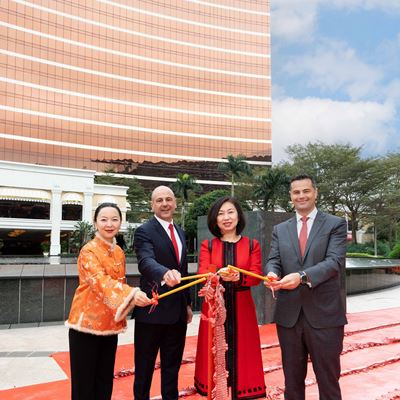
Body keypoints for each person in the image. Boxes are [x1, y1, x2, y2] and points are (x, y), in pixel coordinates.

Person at [264, 174, 347, 400]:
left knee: (328, 381)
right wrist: (271, 272)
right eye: (296, 192)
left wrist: (301, 276)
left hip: (325, 316)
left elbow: (334, 263)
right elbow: (274, 259)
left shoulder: (335, 224)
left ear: (315, 193)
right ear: (290, 196)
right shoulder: (280, 229)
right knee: (292, 383)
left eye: (305, 191)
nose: (301, 196)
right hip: (289, 317)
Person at [66, 202, 152, 400]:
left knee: (104, 381)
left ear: (121, 222)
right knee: (84, 385)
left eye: (114, 219)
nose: (109, 224)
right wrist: (131, 294)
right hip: (85, 325)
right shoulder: (88, 251)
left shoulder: (119, 252)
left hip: (110, 325)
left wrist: (130, 298)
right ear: (95, 223)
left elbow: (117, 284)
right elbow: (101, 282)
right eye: (103, 219)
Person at [194, 196, 266, 399]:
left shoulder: (252, 245)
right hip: (214, 309)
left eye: (230, 212)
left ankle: (242, 391)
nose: (226, 217)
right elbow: (203, 274)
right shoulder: (208, 245)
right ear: (215, 220)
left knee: (244, 355)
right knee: (213, 353)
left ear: (238, 216)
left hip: (243, 307)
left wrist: (239, 277)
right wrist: (215, 278)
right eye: (221, 214)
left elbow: (256, 275)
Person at [133, 186, 193, 400]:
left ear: (175, 203)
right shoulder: (144, 231)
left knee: (172, 369)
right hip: (152, 312)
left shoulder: (180, 231)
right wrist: (164, 273)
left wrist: (187, 304)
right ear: (152, 205)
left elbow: (183, 270)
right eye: (159, 200)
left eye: (168, 199)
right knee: (144, 369)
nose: (165, 203)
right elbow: (145, 261)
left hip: (177, 315)